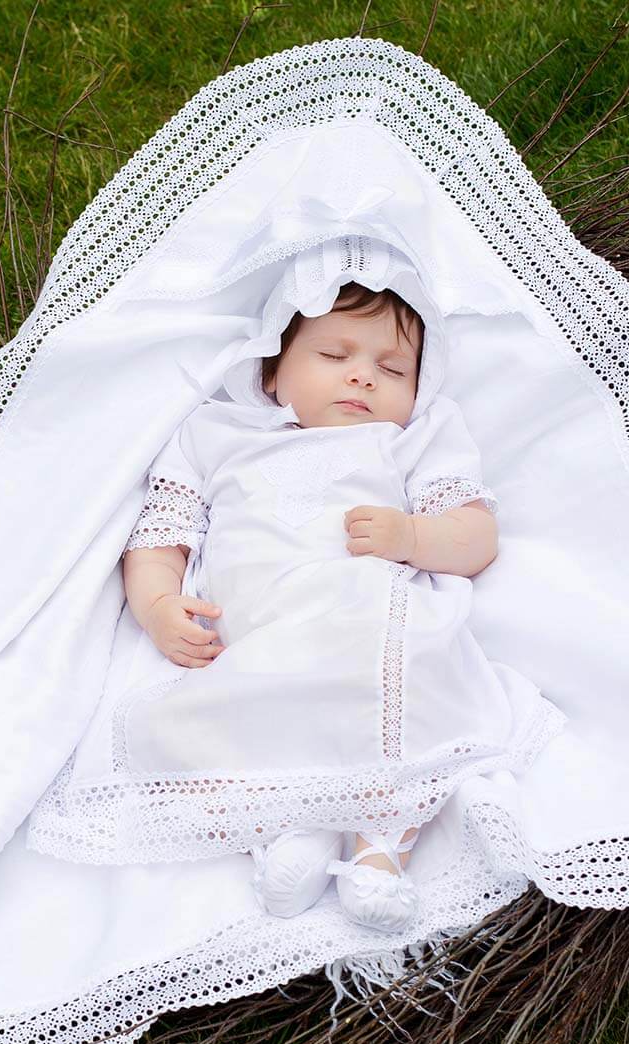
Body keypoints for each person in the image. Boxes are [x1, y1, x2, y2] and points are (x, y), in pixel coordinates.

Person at [116, 280, 510, 933]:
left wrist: (415, 537)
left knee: (394, 684)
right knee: (237, 712)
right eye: (334, 356)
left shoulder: (410, 438)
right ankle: (293, 827)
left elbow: (476, 537)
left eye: (391, 369)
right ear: (272, 372)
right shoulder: (216, 433)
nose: (362, 376)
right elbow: (162, 534)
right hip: (255, 626)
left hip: (362, 607)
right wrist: (158, 604)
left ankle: (379, 846)